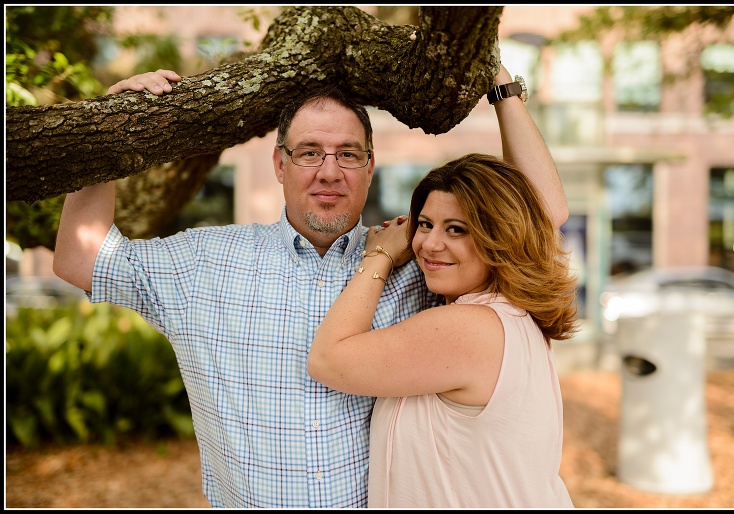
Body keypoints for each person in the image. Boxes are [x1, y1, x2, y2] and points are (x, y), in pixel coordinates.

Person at [52, 64, 569, 508]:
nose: (329, 172)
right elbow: (82, 257)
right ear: (279, 164)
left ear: (370, 167)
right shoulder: (203, 262)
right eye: (308, 153)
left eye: (348, 154)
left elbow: (537, 218)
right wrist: (108, 131)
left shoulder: (418, 258)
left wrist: (501, 86)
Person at [308, 152, 579, 508]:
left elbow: (328, 359)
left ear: (501, 236)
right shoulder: (512, 315)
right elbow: (546, 209)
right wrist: (505, 96)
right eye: (424, 224)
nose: (429, 245)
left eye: (456, 229)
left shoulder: (469, 328)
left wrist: (379, 256)